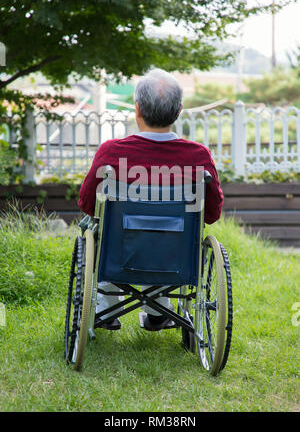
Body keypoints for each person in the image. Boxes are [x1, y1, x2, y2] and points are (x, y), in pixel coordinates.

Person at [78, 68, 224, 330]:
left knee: (104, 230)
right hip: (174, 254)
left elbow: (87, 204)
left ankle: (106, 308)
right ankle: (158, 311)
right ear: (179, 111)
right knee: (167, 235)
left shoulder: (111, 152)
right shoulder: (198, 157)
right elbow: (212, 214)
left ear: (137, 109)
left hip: (118, 250)